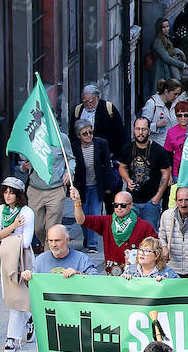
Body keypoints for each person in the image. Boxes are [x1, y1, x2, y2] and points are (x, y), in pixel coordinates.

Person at [24, 224, 97, 352]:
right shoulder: (40, 261)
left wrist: (79, 275)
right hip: (49, 320)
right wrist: (27, 278)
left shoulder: (81, 259)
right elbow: (33, 284)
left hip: (77, 318)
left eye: (57, 240)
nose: (53, 244)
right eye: (50, 241)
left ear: (67, 240)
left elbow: (97, 282)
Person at [0, 176, 36, 352]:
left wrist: (6, 235)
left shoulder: (27, 212)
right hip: (4, 256)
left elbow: (26, 242)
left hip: (21, 258)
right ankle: (30, 318)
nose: (8, 195)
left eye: (12, 192)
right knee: (9, 296)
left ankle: (12, 338)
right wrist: (13, 227)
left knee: (17, 298)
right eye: (5, 191)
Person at [74, 188, 157, 275]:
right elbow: (81, 220)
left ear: (131, 205)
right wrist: (77, 202)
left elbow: (156, 249)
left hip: (135, 275)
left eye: (123, 205)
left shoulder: (144, 226)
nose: (119, 208)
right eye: (116, 205)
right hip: (112, 274)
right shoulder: (106, 221)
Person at [71, 118, 119, 251]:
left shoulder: (101, 144)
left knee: (95, 214)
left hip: (96, 186)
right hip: (81, 187)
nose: (88, 136)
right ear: (78, 135)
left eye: (90, 132)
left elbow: (107, 166)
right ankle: (87, 237)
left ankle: (93, 244)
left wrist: (108, 186)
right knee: (82, 214)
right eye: (85, 133)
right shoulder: (74, 147)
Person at [118, 116, 174, 229]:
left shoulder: (158, 150)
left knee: (150, 235)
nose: (140, 132)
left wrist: (158, 196)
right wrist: (128, 180)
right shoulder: (128, 148)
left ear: (149, 131)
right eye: (138, 129)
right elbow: (122, 167)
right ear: (134, 130)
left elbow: (166, 173)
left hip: (151, 202)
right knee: (131, 233)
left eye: (143, 129)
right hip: (131, 202)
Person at [158, 185, 188, 276]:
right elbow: (161, 236)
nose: (183, 204)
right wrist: (164, 247)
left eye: (187, 200)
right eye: (180, 200)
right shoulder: (166, 215)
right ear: (175, 201)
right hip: (173, 269)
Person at [73, 84, 128, 157]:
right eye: (85, 102)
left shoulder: (108, 108)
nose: (88, 104)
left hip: (105, 154)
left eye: (91, 101)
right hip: (83, 154)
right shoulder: (78, 110)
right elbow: (73, 133)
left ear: (97, 97)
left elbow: (120, 133)